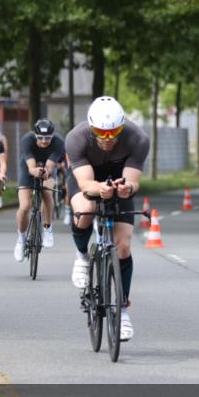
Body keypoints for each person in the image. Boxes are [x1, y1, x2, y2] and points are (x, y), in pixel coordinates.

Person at [66, 96, 150, 342]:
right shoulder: (76, 138)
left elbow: (133, 181)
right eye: (100, 132)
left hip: (119, 182)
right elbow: (84, 183)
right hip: (88, 181)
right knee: (85, 209)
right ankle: (82, 256)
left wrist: (127, 190)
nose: (107, 138)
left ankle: (122, 311)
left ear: (122, 127)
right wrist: (98, 189)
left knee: (123, 245)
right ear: (91, 128)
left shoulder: (138, 139)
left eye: (113, 132)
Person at [13, 119, 65, 261]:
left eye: (47, 138)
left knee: (47, 193)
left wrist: (46, 171)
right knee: (25, 207)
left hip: (48, 167)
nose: (43, 141)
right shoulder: (27, 140)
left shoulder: (59, 142)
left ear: (52, 135)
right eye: (40, 138)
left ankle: (48, 228)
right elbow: (30, 166)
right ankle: (21, 239)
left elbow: (50, 165)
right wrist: (34, 170)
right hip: (28, 167)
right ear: (35, 135)